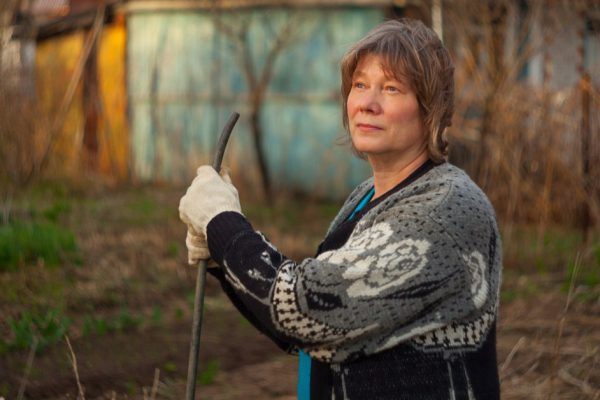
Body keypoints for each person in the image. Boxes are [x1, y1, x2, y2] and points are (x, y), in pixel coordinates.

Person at [179, 18, 501, 400]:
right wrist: (221, 257)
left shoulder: (443, 211)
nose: (367, 102)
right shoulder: (367, 197)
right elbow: (318, 329)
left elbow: (302, 311)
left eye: (392, 88)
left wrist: (224, 225)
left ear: (430, 109)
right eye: (360, 85)